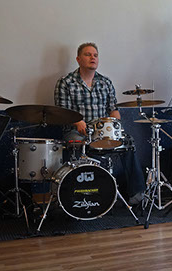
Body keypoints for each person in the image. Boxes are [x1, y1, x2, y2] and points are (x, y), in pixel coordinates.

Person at [54, 42, 146, 205]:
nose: (93, 58)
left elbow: (113, 109)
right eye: (88, 54)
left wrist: (116, 126)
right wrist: (78, 122)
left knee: (128, 141)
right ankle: (81, 197)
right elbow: (63, 112)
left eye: (95, 55)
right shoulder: (66, 82)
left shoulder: (105, 82)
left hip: (102, 131)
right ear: (78, 59)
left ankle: (136, 193)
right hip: (76, 131)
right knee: (79, 144)